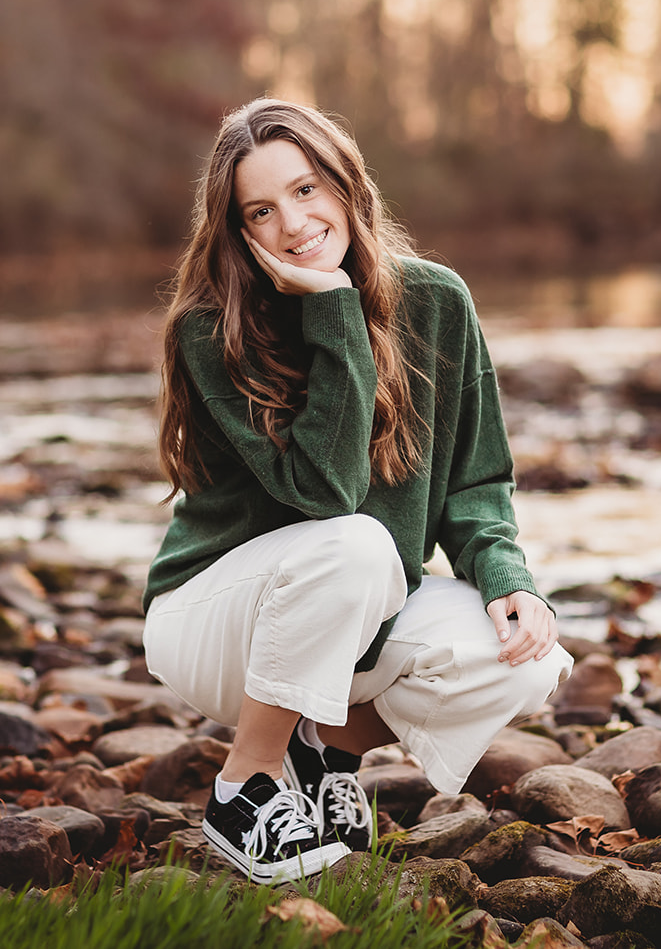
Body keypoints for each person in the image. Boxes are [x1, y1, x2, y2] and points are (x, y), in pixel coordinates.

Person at [142, 98, 573, 883]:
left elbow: (477, 482)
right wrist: (333, 309)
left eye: (307, 190)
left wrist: (509, 577)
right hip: (215, 622)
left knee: (529, 657)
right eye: (261, 209)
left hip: (349, 607)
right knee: (359, 541)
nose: (293, 222)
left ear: (347, 184)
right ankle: (246, 786)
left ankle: (323, 755)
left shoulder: (437, 301)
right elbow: (325, 493)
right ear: (239, 231)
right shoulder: (214, 328)